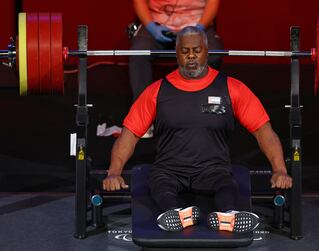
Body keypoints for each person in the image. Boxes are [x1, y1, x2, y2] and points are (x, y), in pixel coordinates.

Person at [103, 26, 292, 233]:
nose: (191, 56)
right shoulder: (156, 91)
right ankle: (174, 214)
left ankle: (228, 215)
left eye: (197, 50)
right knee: (160, 184)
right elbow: (129, 136)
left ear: (206, 50)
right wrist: (114, 173)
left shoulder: (232, 88)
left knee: (226, 185)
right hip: (169, 170)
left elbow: (263, 132)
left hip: (212, 169)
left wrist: (279, 170)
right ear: (177, 54)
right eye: (185, 51)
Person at [129, 0, 224, 138]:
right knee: (139, 52)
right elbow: (140, 2)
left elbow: (213, 2)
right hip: (158, 25)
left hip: (197, 25)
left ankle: (204, 112)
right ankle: (143, 118)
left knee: (214, 54)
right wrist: (151, 27)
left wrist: (200, 27)